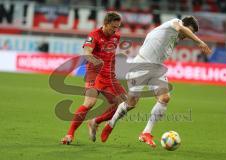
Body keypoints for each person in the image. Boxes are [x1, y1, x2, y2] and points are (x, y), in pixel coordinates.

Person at [101, 16, 211, 148]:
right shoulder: (174, 23)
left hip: (157, 68)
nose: (188, 36)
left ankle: (146, 133)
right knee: (131, 103)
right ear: (184, 25)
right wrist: (199, 42)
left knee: (165, 98)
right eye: (190, 31)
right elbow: (180, 27)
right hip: (140, 65)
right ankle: (111, 124)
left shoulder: (175, 38)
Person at [61, 11, 126, 144]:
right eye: (113, 27)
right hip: (94, 73)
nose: (116, 30)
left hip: (109, 76)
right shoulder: (93, 35)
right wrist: (97, 62)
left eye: (117, 27)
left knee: (124, 104)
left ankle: (95, 121)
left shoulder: (116, 36)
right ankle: (69, 135)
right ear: (106, 24)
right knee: (90, 103)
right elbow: (87, 53)